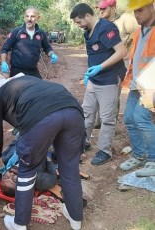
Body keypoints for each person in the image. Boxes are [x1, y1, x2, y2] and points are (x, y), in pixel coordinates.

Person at [0, 76, 85, 230]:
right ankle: (75, 218)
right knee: (70, 168)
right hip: (73, 111)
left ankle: (19, 224)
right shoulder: (24, 83)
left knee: (26, 171)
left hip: (43, 118)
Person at [70, 3, 127, 166]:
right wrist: (90, 72)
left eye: (79, 22)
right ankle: (84, 142)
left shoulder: (106, 28)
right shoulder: (87, 32)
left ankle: (105, 151)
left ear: (87, 16)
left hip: (109, 78)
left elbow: (122, 52)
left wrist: (101, 67)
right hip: (94, 80)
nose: (78, 25)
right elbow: (95, 55)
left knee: (107, 118)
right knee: (86, 113)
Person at [120, 0, 155, 177]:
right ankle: (139, 154)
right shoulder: (138, 33)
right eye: (134, 12)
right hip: (137, 83)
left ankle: (153, 161)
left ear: (152, 7)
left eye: (140, 10)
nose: (137, 15)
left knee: (141, 118)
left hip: (151, 85)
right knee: (129, 118)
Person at [94, 0, 139, 129]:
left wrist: (130, 49)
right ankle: (99, 120)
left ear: (113, 7)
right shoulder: (99, 22)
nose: (100, 11)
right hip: (101, 64)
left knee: (113, 96)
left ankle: (110, 124)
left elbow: (142, 30)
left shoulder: (125, 20)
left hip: (117, 65)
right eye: (99, 8)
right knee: (98, 92)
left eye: (104, 8)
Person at [0, 7, 58, 78]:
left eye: (32, 16)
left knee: (39, 88)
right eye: (27, 16)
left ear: (38, 18)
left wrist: (52, 55)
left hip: (33, 70)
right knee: (19, 89)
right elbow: (4, 49)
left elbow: (47, 48)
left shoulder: (41, 33)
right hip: (17, 71)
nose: (29, 19)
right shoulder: (16, 32)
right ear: (24, 17)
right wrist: (3, 62)